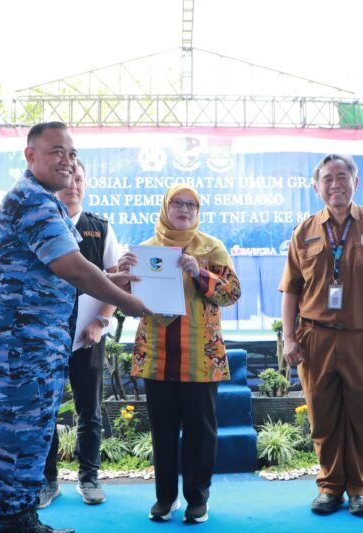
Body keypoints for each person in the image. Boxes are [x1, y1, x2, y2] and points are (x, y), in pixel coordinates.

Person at [0, 122, 149, 533]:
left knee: (33, 431)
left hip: (35, 338)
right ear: (30, 156)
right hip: (16, 339)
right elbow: (71, 267)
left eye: (71, 153)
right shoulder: (32, 201)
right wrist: (130, 304)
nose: (66, 160)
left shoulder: (46, 202)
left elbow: (60, 276)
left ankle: (23, 516)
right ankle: (14, 521)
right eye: (55, 152)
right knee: (19, 433)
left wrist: (113, 282)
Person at [279, 154, 363, 518]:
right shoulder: (303, 232)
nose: (335, 184)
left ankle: (360, 488)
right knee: (323, 417)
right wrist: (289, 338)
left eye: (342, 177)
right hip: (316, 339)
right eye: (327, 178)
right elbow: (290, 291)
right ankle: (330, 486)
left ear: (356, 182)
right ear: (316, 186)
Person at [118, 184, 240, 524]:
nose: (184, 210)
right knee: (163, 431)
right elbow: (126, 307)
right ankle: (165, 498)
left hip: (202, 358)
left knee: (201, 433)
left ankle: (197, 499)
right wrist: (123, 277)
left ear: (198, 211)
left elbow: (232, 293)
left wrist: (199, 272)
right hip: (157, 356)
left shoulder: (212, 249)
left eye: (191, 205)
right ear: (165, 207)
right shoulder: (144, 251)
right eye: (177, 203)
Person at [38, 159, 122, 508]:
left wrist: (100, 322)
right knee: (46, 412)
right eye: (68, 178)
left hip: (88, 338)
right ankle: (47, 481)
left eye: (80, 178)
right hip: (46, 339)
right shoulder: (41, 225)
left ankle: (89, 477)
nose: (73, 184)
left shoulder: (99, 228)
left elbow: (116, 281)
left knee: (89, 411)